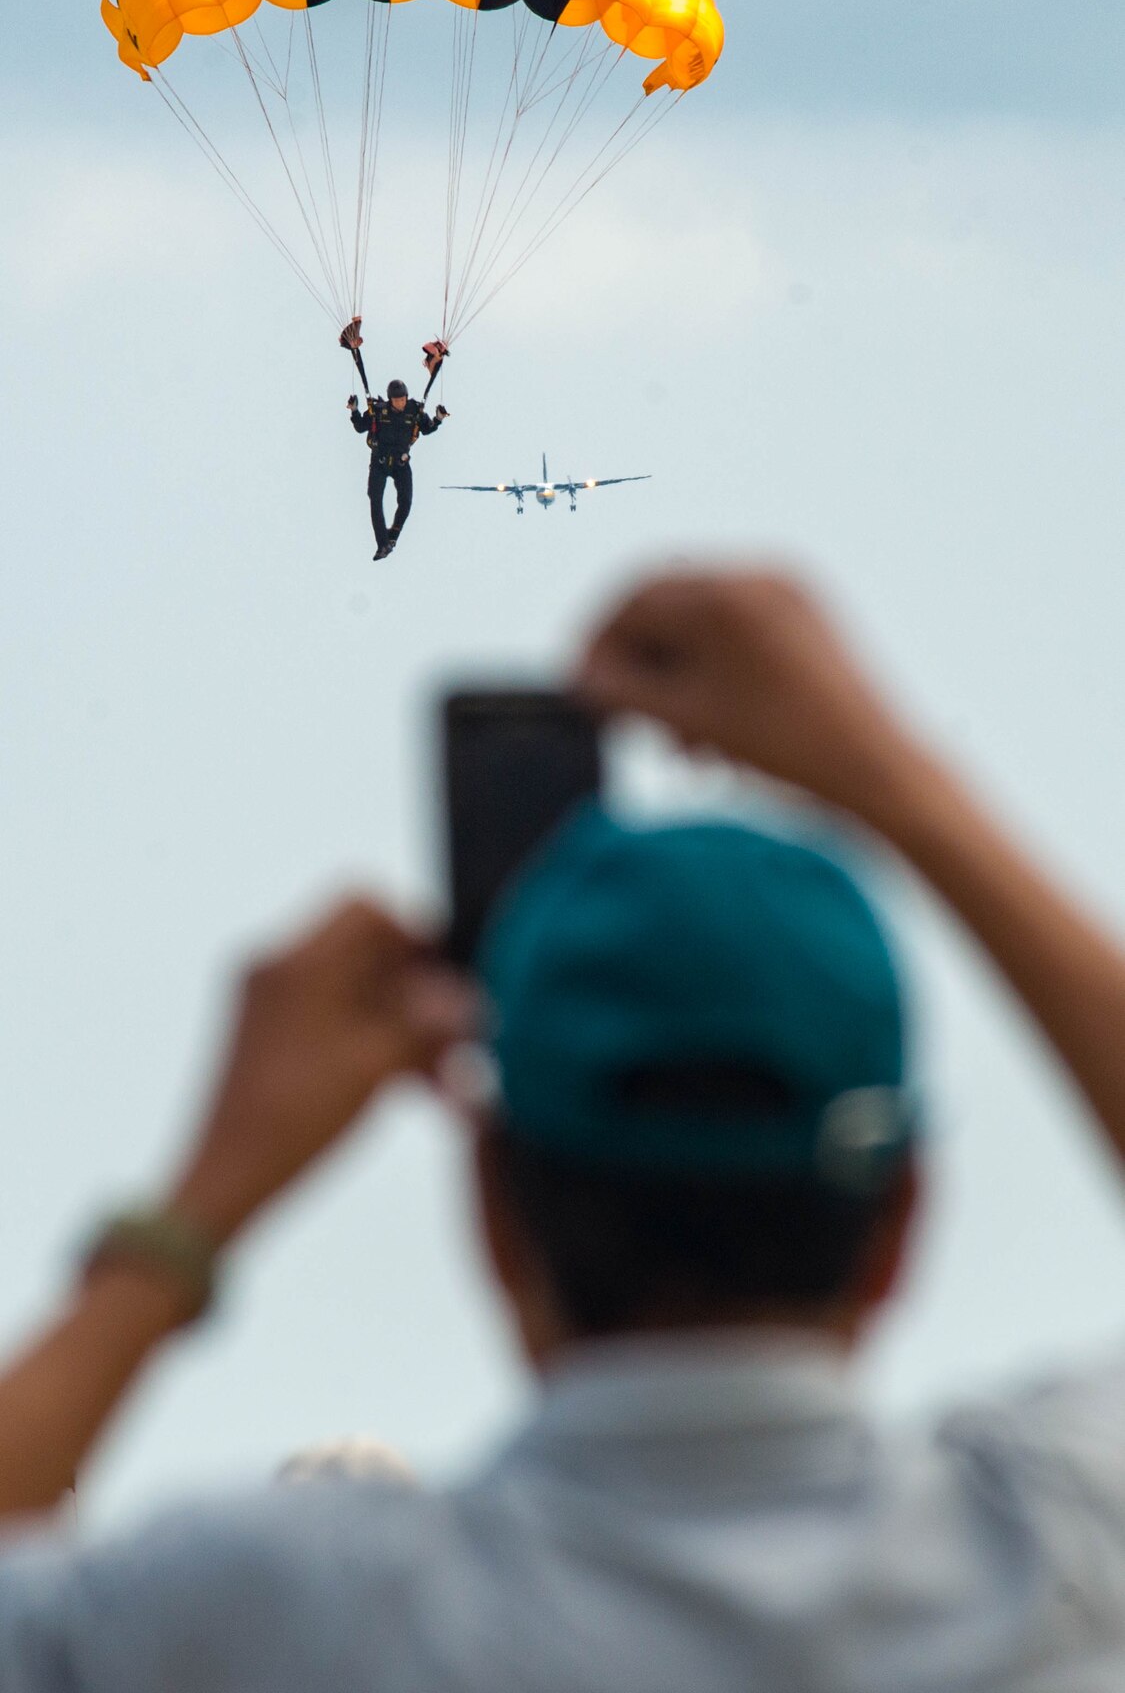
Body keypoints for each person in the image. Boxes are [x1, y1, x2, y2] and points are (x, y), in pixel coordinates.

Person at [2, 568, 1125, 1690]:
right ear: (905, 1218)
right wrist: (897, 781)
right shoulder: (1063, 1542)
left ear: (491, 1208)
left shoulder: (281, 1610)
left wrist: (197, 1204)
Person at [347, 381, 448, 560]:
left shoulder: (414, 411)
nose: (400, 403)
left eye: (402, 399)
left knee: (406, 500)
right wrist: (354, 411)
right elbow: (360, 427)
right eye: (396, 400)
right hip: (380, 461)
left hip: (401, 463)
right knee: (375, 499)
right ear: (390, 400)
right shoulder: (379, 411)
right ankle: (382, 544)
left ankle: (392, 536)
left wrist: (438, 419)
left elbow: (426, 429)